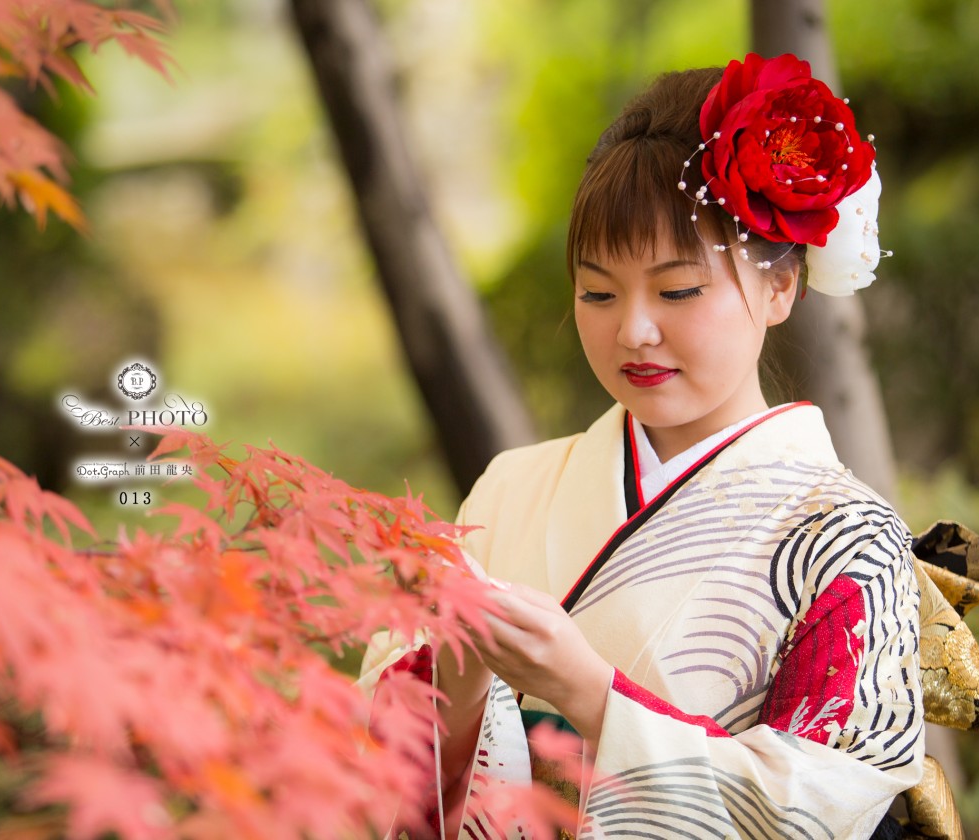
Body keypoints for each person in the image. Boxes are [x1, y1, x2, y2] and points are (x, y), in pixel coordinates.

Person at [361, 53, 924, 839]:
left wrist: (591, 694)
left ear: (780, 286)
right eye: (597, 292)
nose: (633, 330)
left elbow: (820, 813)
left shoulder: (844, 539)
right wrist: (457, 679)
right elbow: (376, 776)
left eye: (678, 290)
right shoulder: (509, 485)